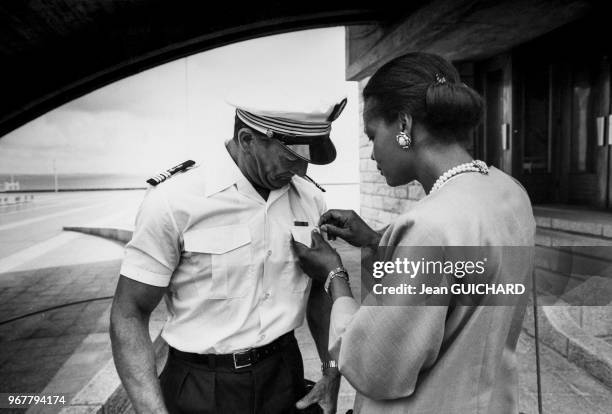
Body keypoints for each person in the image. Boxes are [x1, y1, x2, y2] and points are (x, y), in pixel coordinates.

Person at [292, 52, 536, 413]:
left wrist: (334, 275)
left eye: (373, 135)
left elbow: (374, 366)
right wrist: (377, 241)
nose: (372, 152)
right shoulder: (509, 191)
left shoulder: (429, 227)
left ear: (404, 124)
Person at [110, 92, 348, 414]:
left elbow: (320, 294)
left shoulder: (309, 199)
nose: (302, 171)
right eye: (292, 156)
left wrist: (331, 370)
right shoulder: (174, 201)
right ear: (247, 139)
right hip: (201, 385)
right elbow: (129, 313)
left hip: (284, 373)